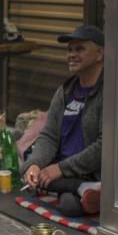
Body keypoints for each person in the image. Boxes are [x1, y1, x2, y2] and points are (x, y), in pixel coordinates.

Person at [20, 25, 104, 216]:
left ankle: (86, 188)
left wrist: (60, 169)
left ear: (99, 54)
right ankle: (86, 189)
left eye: (80, 49)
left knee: (66, 202)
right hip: (64, 171)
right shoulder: (65, 91)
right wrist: (34, 165)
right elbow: (49, 136)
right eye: (69, 50)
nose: (72, 55)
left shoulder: (107, 93)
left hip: (87, 170)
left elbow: (104, 147)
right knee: (31, 171)